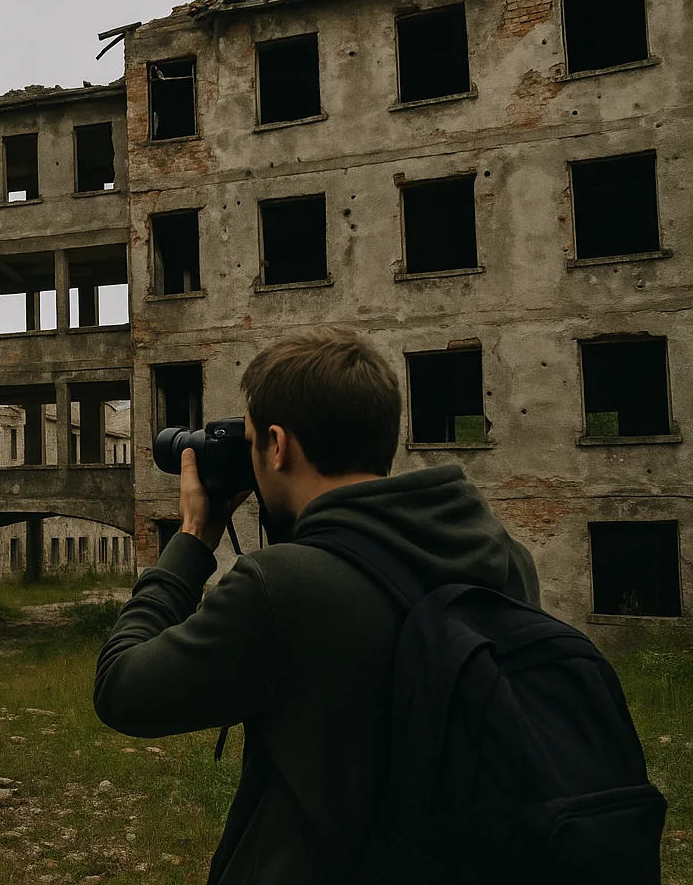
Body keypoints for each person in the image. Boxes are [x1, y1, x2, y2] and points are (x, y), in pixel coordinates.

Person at [93, 327, 539, 884]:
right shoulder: (503, 556)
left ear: (278, 446)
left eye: (253, 440)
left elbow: (122, 690)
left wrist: (190, 540)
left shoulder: (283, 588)